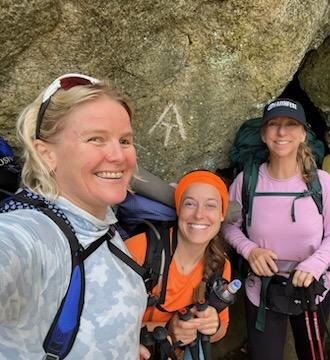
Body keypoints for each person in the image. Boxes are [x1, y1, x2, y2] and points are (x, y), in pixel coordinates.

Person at [0, 73, 149, 359]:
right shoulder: (33, 235)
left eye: (125, 140)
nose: (119, 156)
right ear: (46, 154)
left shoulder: (100, 222)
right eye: (96, 139)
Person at [222, 98, 330, 360]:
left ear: (303, 134)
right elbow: (229, 227)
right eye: (273, 124)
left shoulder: (319, 181)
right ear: (263, 134)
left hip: (312, 288)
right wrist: (250, 251)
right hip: (263, 289)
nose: (281, 132)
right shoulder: (248, 180)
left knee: (311, 354)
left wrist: (314, 265)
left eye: (290, 125)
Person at [126, 169, 232, 359]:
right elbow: (100, 324)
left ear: (222, 215)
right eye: (190, 204)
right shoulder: (139, 250)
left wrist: (211, 325)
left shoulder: (220, 264)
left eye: (210, 205)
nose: (199, 215)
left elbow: (221, 330)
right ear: (178, 209)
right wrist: (167, 329)